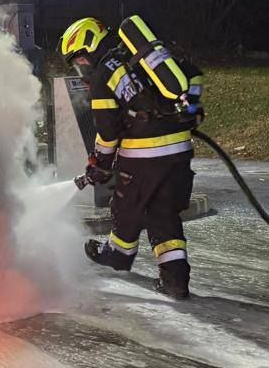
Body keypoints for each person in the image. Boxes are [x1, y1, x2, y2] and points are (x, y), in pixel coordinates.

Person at [60, 16, 203, 299]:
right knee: (163, 213)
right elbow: (193, 74)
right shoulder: (142, 56)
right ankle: (175, 279)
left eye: (80, 61)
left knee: (126, 206)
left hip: (142, 155)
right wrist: (194, 104)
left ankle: (118, 255)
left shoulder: (104, 74)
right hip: (179, 152)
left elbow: (108, 132)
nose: (82, 69)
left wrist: (98, 164)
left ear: (91, 45)